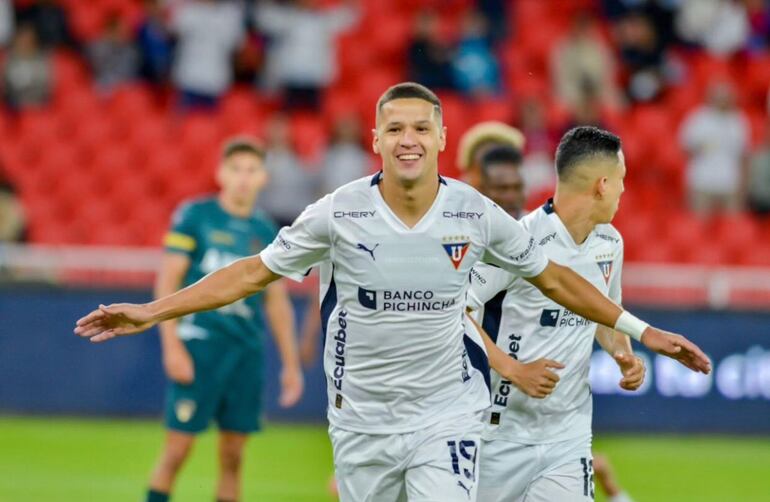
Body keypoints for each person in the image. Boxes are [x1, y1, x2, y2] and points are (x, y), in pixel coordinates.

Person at [75, 83, 710, 502]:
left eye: (420, 128)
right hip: (362, 420)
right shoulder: (337, 213)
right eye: (395, 128)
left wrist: (640, 333)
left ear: (439, 139)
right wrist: (152, 312)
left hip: (449, 413)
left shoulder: (476, 212)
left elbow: (556, 278)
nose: (408, 139)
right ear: (376, 140)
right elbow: (251, 273)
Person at [467, 126, 647, 502]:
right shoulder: (520, 241)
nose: (623, 190)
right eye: (620, 180)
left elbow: (605, 314)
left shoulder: (610, 243)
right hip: (497, 434)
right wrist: (514, 369)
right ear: (601, 184)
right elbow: (455, 311)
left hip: (568, 436)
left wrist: (621, 353)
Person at [143, 138, 304, 502]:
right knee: (177, 450)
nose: (243, 179)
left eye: (251, 171)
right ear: (220, 173)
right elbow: (168, 281)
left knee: (233, 457)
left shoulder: (267, 232)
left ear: (264, 177)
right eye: (236, 170)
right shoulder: (194, 216)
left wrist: (290, 364)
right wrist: (171, 346)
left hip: (245, 353)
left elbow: (277, 303)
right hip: (199, 347)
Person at [679, 81, 749, 214]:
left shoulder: (738, 121)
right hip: (702, 181)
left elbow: (743, 156)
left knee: (732, 228)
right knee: (699, 227)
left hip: (730, 183)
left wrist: (743, 187)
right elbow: (685, 148)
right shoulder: (698, 119)